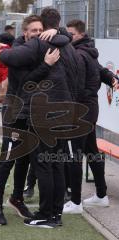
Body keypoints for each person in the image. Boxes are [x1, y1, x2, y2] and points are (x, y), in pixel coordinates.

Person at [0, 8, 88, 228]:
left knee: (44, 166)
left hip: (44, 113)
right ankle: (55, 214)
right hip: (66, 111)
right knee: (56, 164)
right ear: (59, 24)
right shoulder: (69, 46)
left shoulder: (42, 43)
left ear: (44, 28)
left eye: (40, 29)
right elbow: (78, 81)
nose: (37, 33)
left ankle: (47, 215)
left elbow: (8, 56)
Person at [0, 15, 60, 226]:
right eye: (34, 30)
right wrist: (46, 65)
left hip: (31, 114)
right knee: (8, 158)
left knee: (26, 158)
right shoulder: (18, 53)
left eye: (41, 30)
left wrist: (57, 31)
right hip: (14, 113)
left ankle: (17, 198)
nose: (39, 34)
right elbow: (26, 82)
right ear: (25, 33)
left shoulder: (40, 48)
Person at [63, 19, 117, 214]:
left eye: (70, 34)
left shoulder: (78, 54)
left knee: (74, 154)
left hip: (80, 111)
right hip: (90, 110)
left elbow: (76, 87)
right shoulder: (88, 51)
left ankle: (76, 202)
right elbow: (104, 74)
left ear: (79, 35)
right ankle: (101, 195)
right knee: (91, 151)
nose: (67, 37)